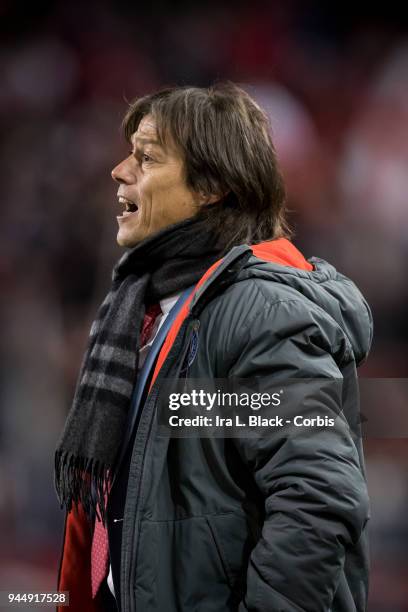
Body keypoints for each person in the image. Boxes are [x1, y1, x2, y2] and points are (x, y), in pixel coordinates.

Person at [54, 83, 372, 612]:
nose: (119, 170)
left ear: (211, 187)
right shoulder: (146, 307)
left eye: (147, 157)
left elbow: (318, 499)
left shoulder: (264, 313)